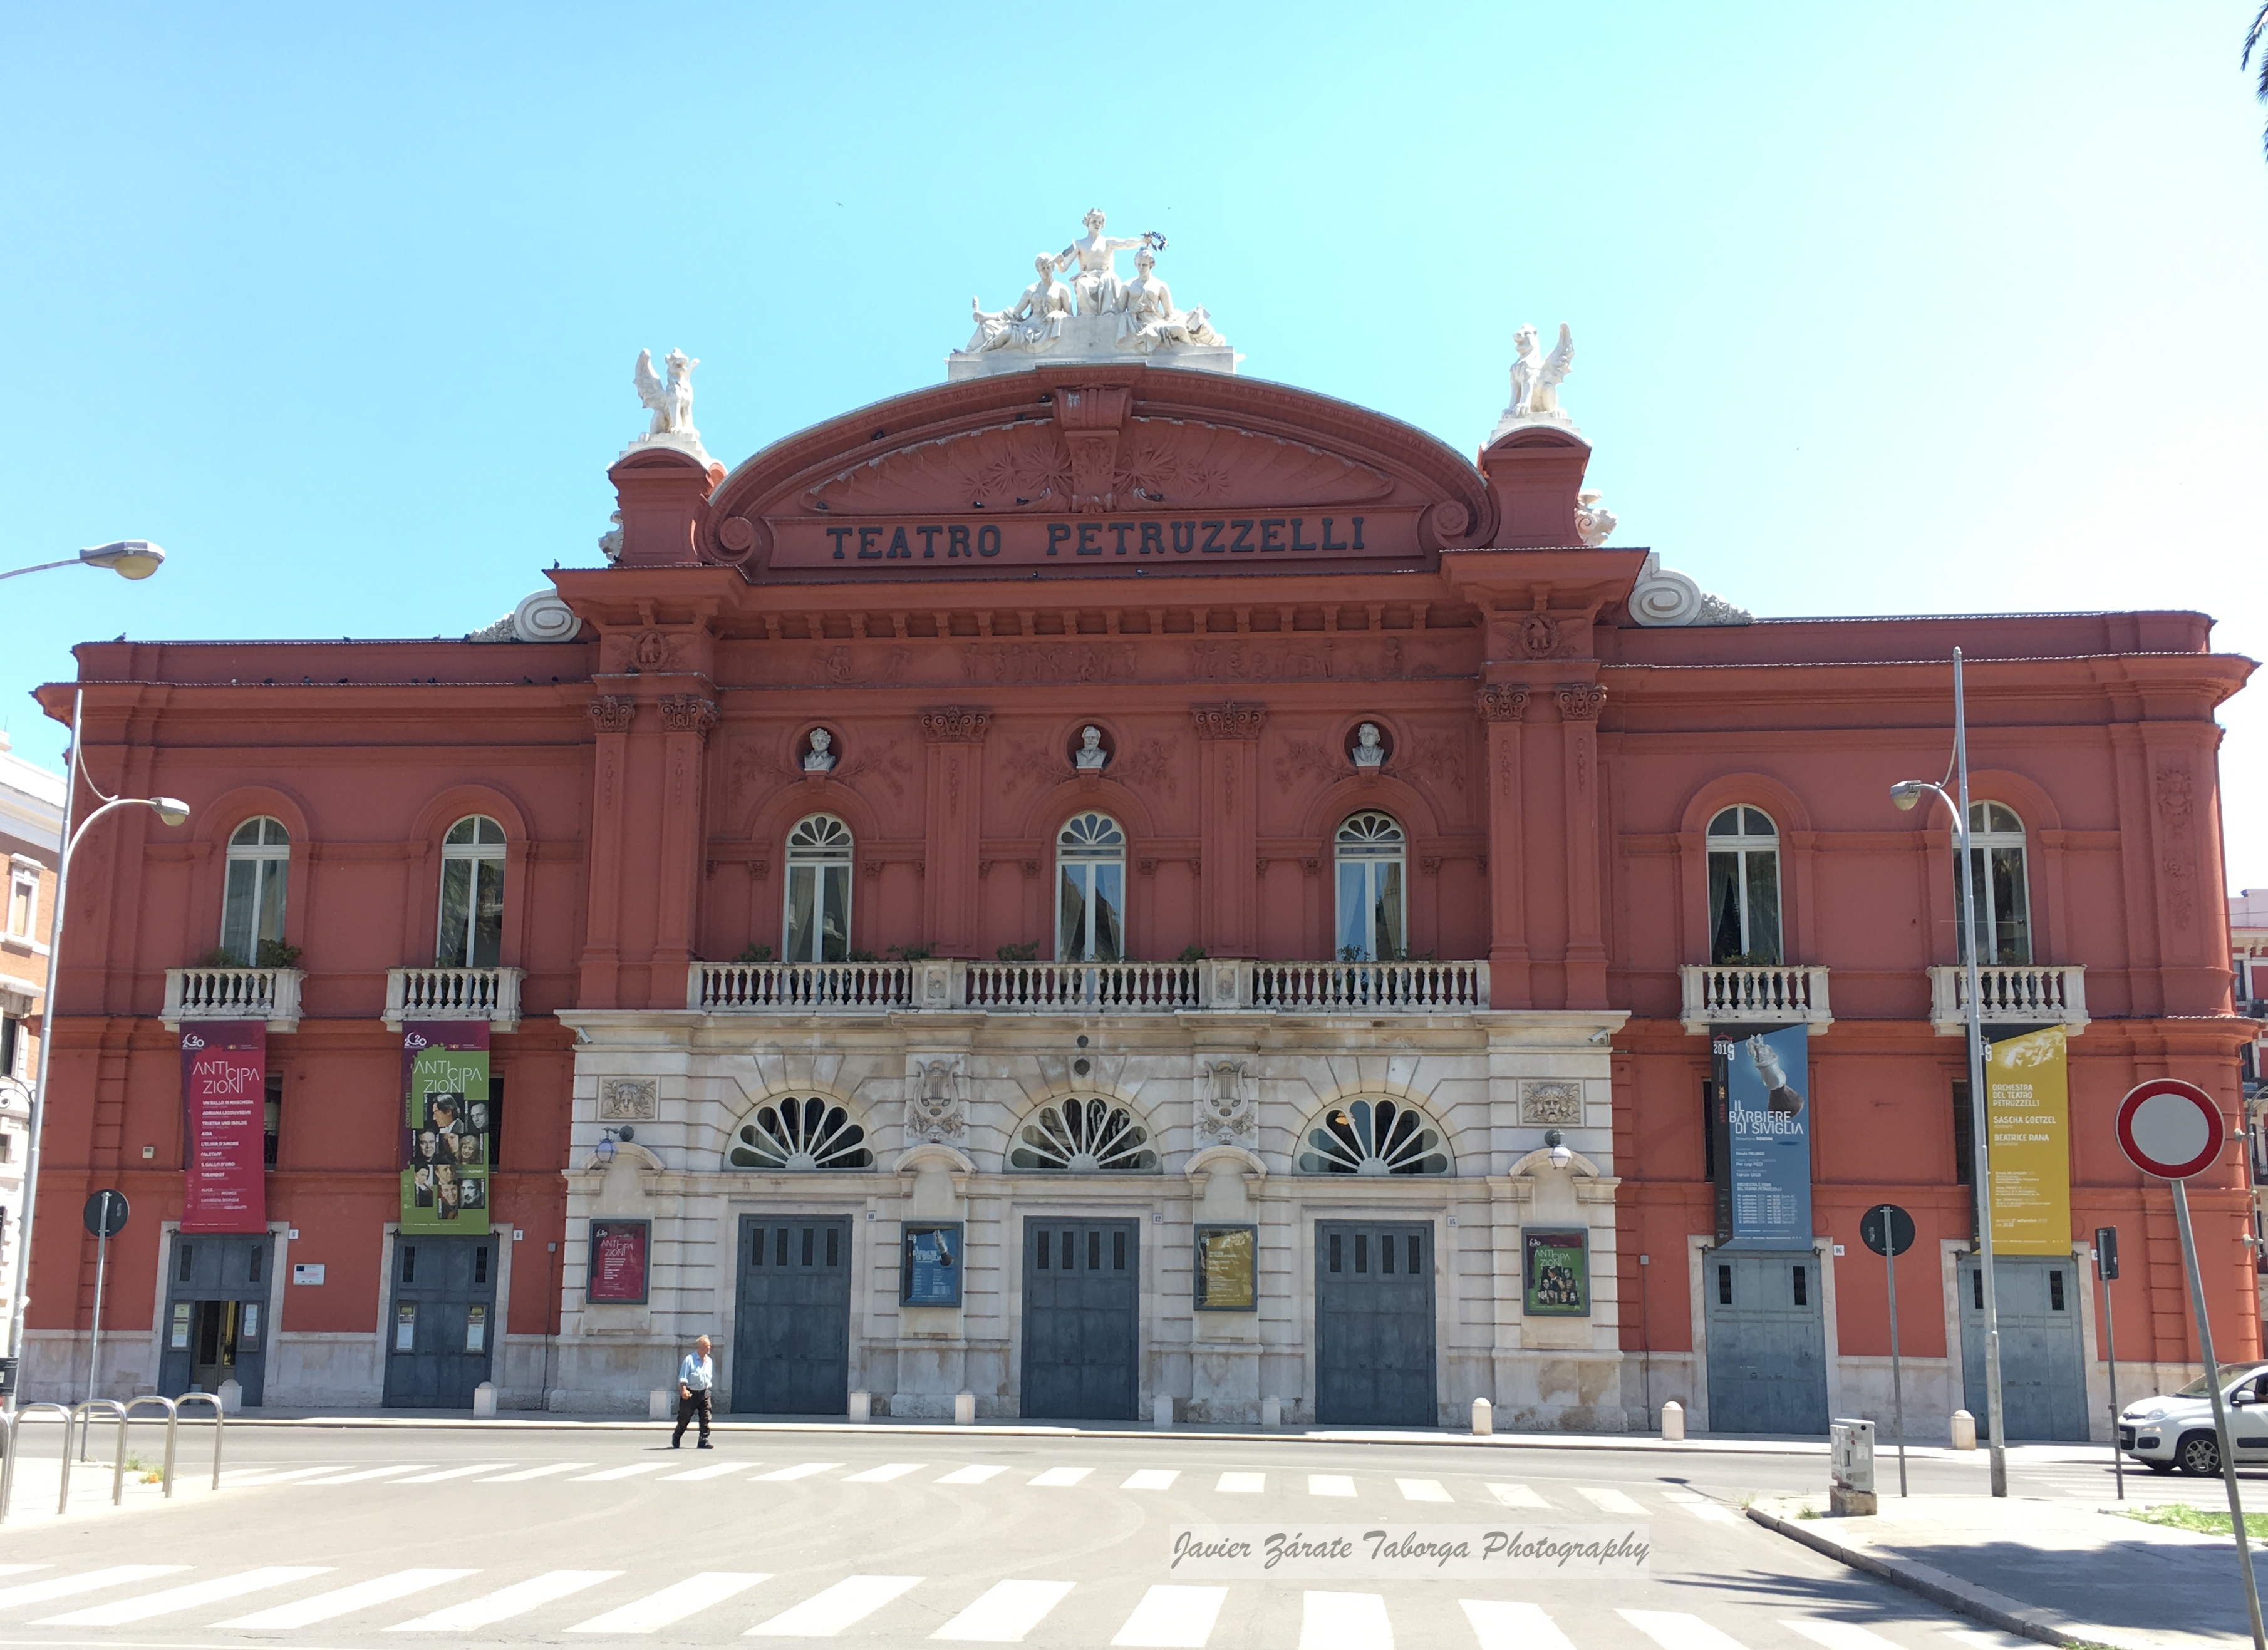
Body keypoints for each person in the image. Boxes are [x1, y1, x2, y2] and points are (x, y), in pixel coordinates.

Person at [673, 1334, 715, 1449]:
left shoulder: (709, 1361)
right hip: (691, 1393)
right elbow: (683, 1377)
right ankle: (677, 1436)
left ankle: (703, 1440)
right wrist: (683, 1390)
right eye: (706, 1346)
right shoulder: (690, 1360)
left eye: (709, 1346)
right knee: (685, 1417)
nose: (709, 1348)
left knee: (706, 1417)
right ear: (699, 1347)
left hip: (704, 1392)